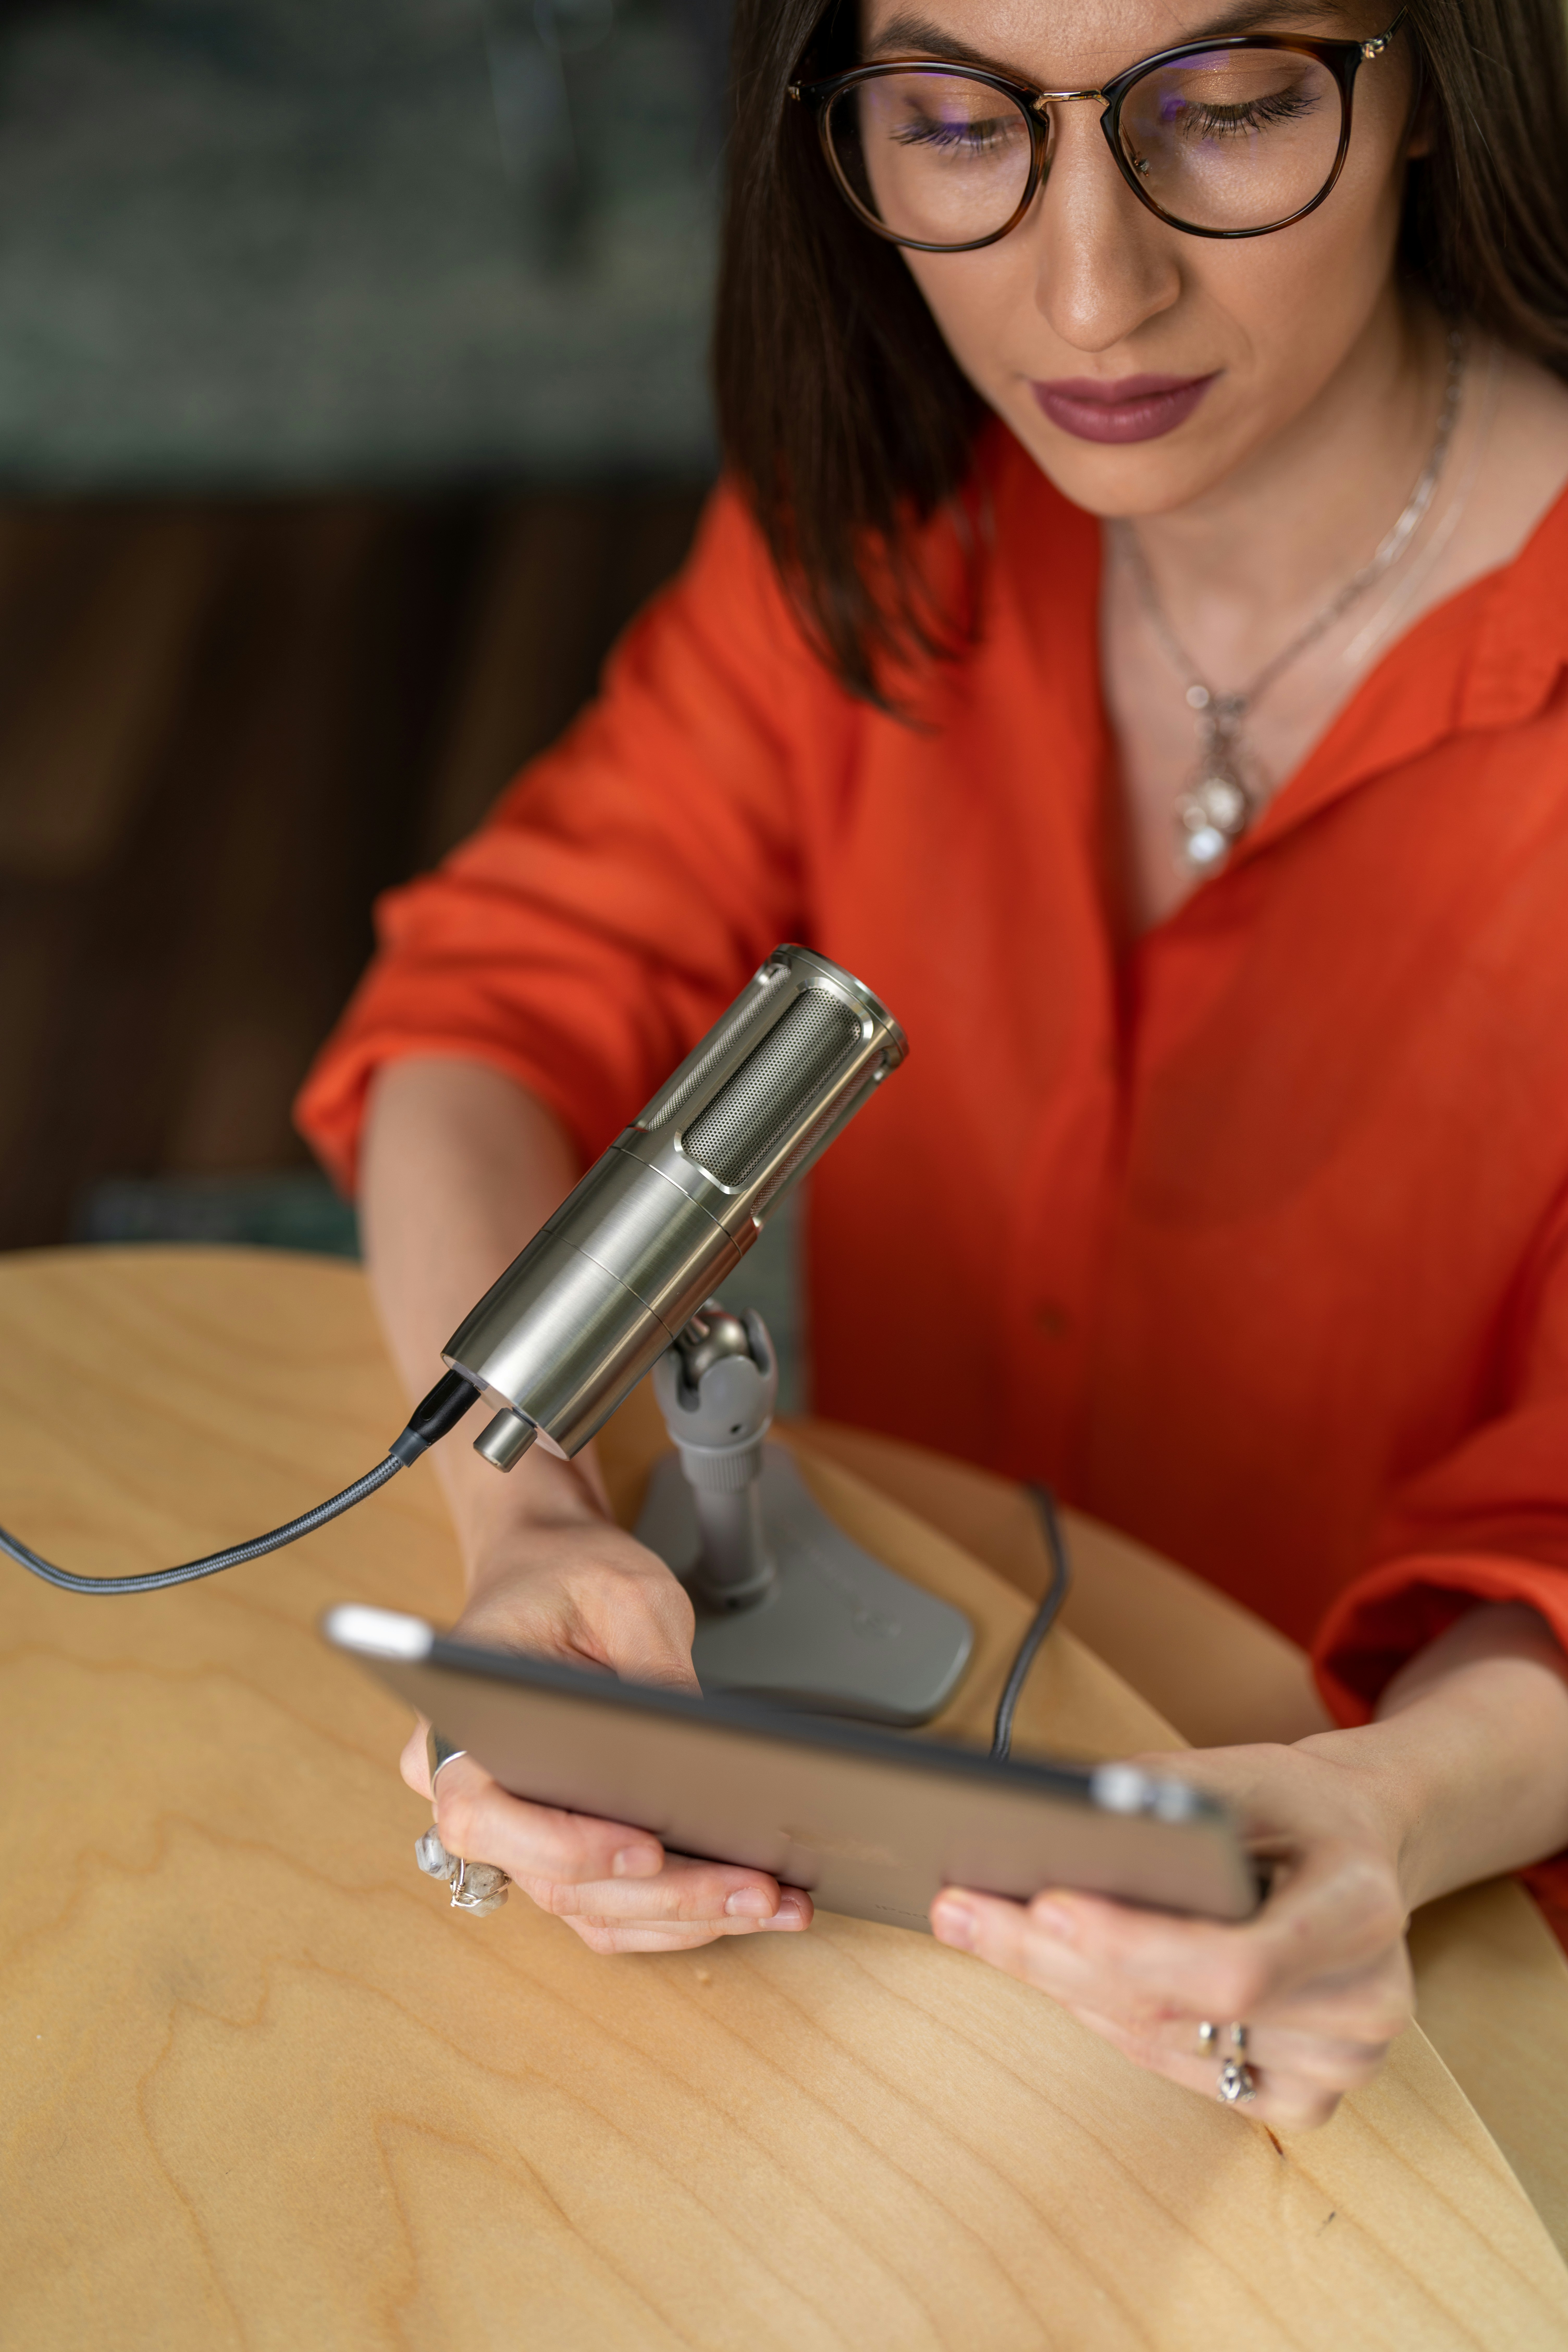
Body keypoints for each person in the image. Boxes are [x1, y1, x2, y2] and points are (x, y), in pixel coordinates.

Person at [298, 0, 1568, 2129]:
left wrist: (1387, 1805)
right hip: (906, 1861)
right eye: (954, 122)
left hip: (1426, 1936)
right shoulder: (890, 530)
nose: (1087, 292)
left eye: (1234, 106)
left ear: (1438, 72)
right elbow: (479, 1019)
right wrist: (520, 1524)